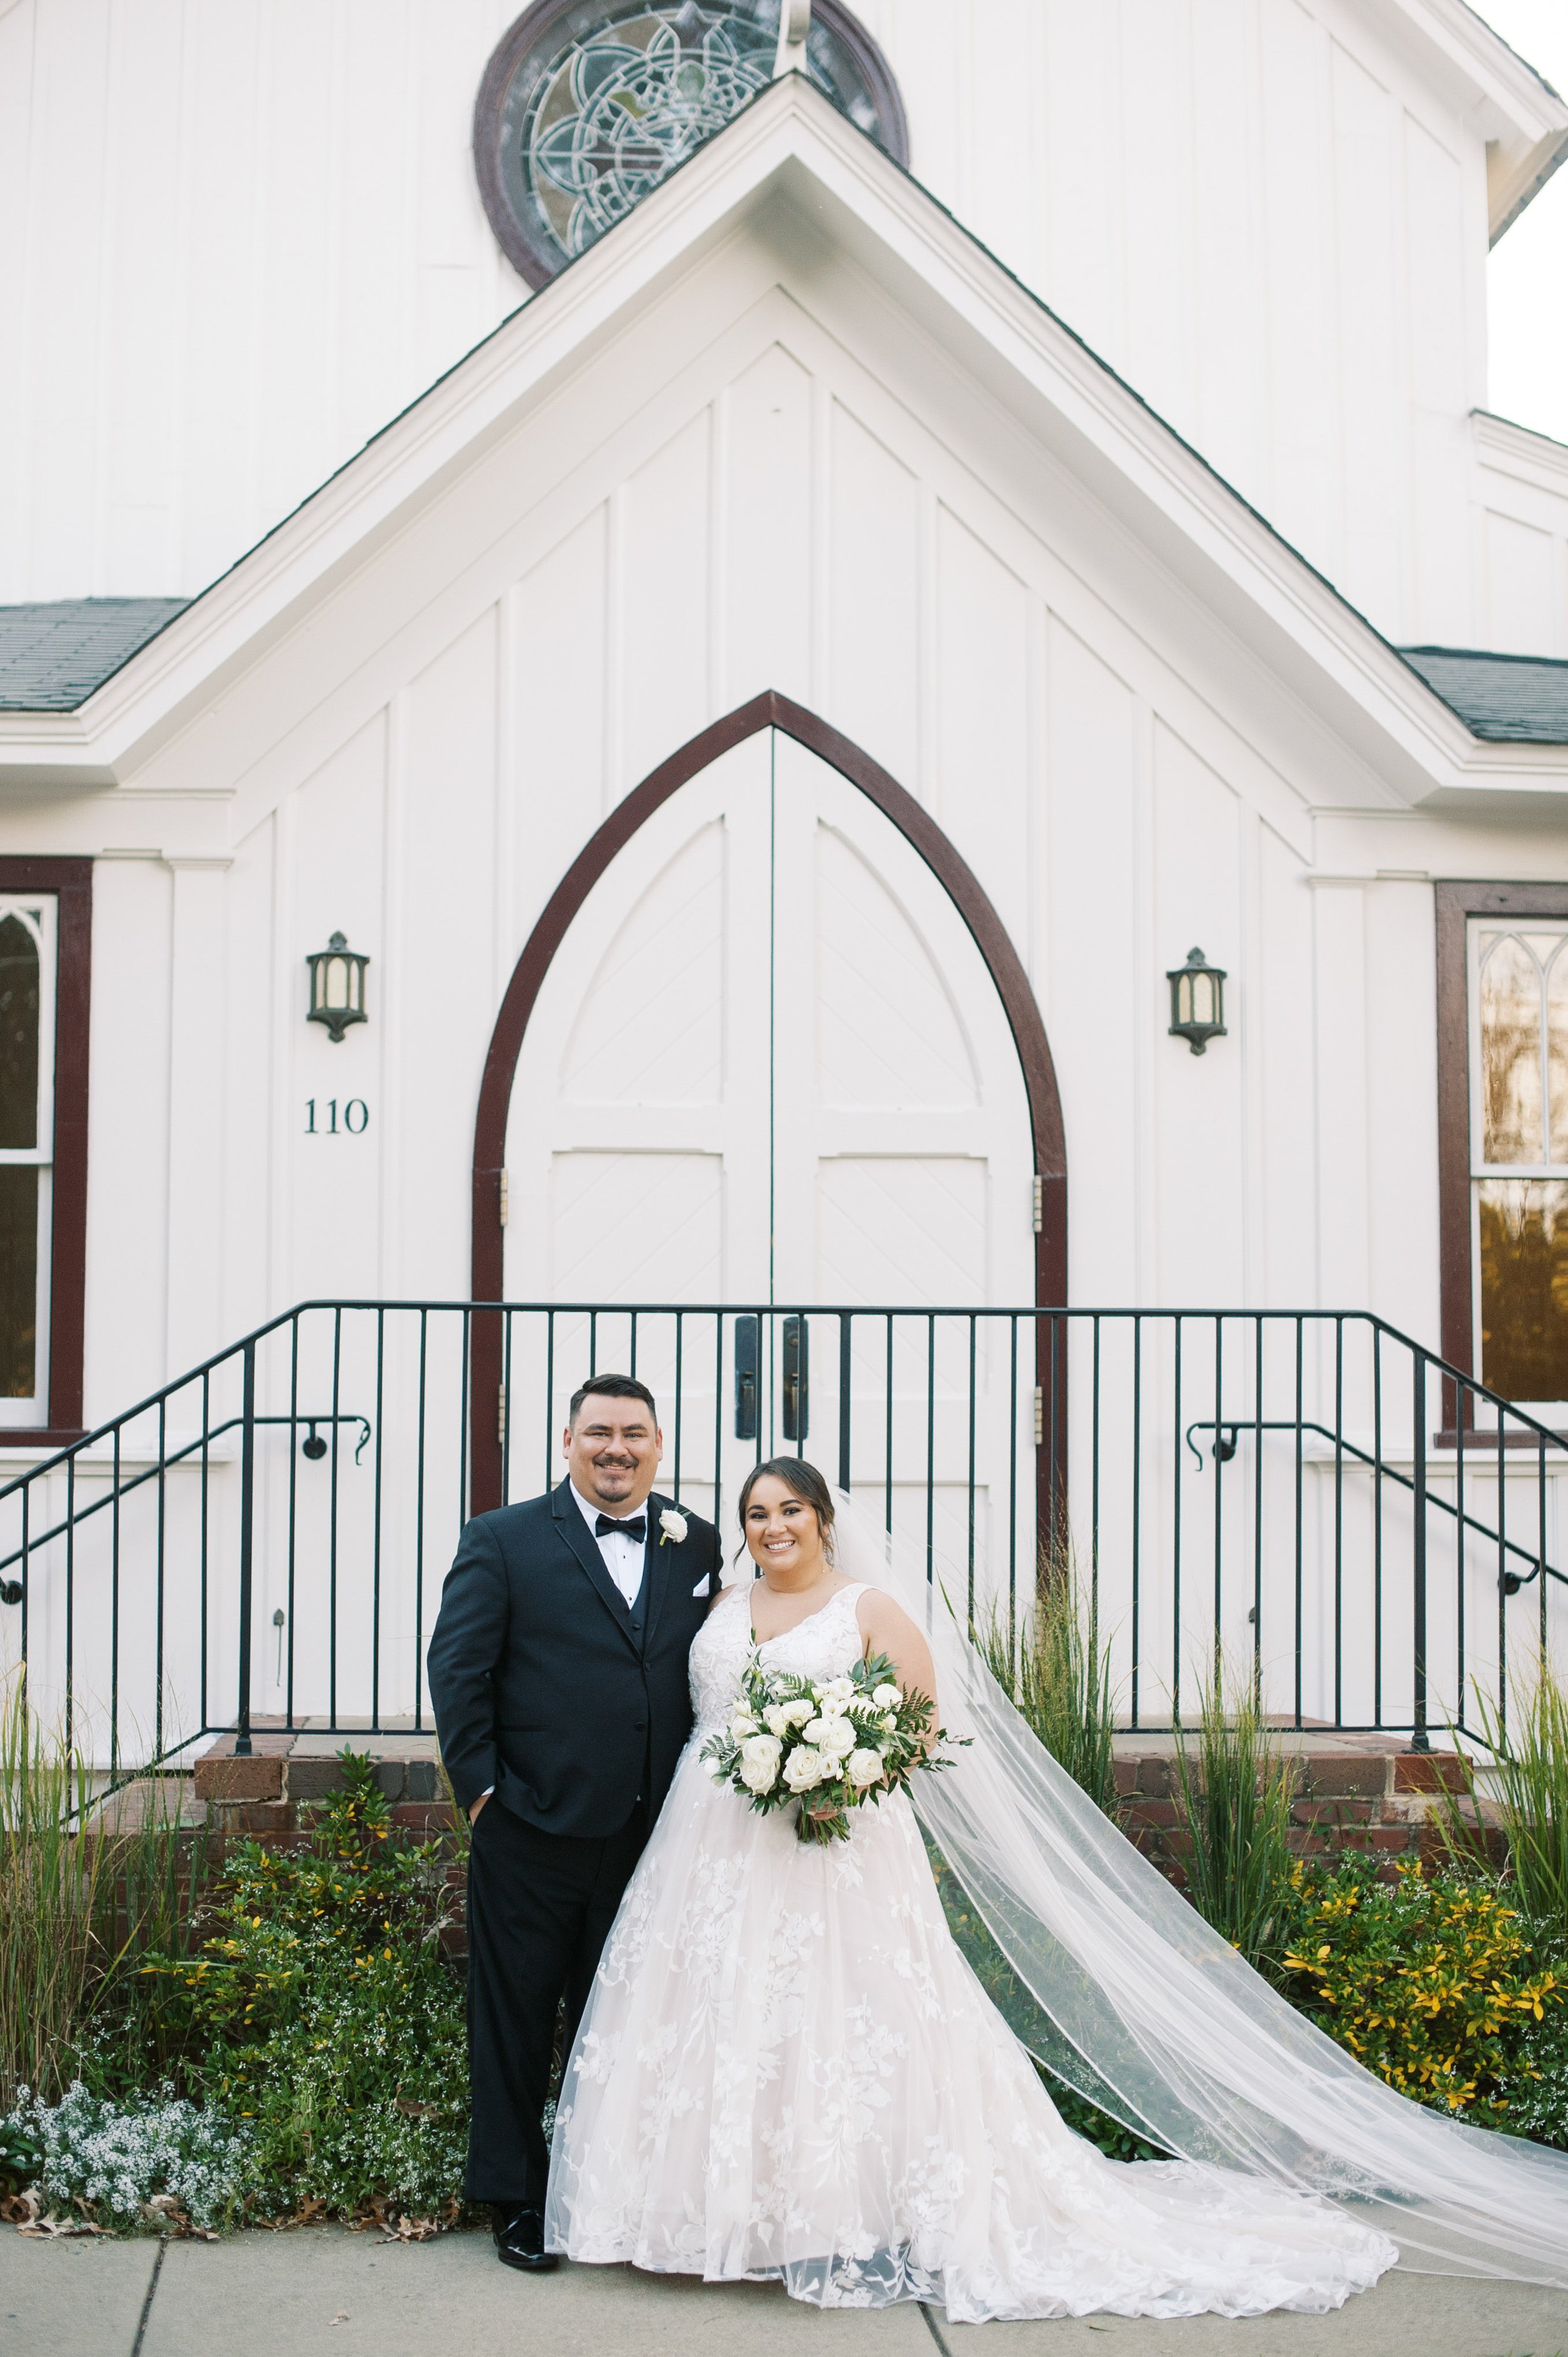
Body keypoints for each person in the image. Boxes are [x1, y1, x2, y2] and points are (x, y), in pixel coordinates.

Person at [545, 1456, 1405, 2319]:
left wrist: (841, 1772)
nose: (774, 1526)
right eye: (758, 1512)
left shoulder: (867, 1607)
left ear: (823, 1518)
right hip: (709, 1839)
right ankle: (724, 2212)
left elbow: (920, 1724)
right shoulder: (727, 1604)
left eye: (792, 1509)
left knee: (846, 2013)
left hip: (832, 1839)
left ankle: (844, 2208)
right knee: (716, 2010)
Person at [425, 1374, 721, 2273]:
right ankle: (516, 2199)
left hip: (652, 1836)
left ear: (659, 1444)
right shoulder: (504, 1538)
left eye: (634, 1432)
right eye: (599, 1431)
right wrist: (484, 1794)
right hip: (532, 1828)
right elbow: (457, 1667)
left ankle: (606, 2192)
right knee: (516, 2017)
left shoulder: (695, 1540)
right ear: (567, 1442)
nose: (616, 1448)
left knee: (626, 2020)